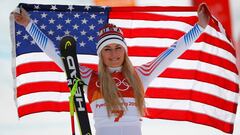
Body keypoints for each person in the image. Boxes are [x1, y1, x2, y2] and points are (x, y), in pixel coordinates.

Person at [13, 3, 210, 135]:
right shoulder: (90, 77)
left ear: (125, 51)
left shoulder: (141, 75)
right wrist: (29, 25)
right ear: (100, 54)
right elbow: (57, 53)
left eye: (118, 48)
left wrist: (199, 27)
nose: (113, 54)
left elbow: (173, 52)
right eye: (107, 49)